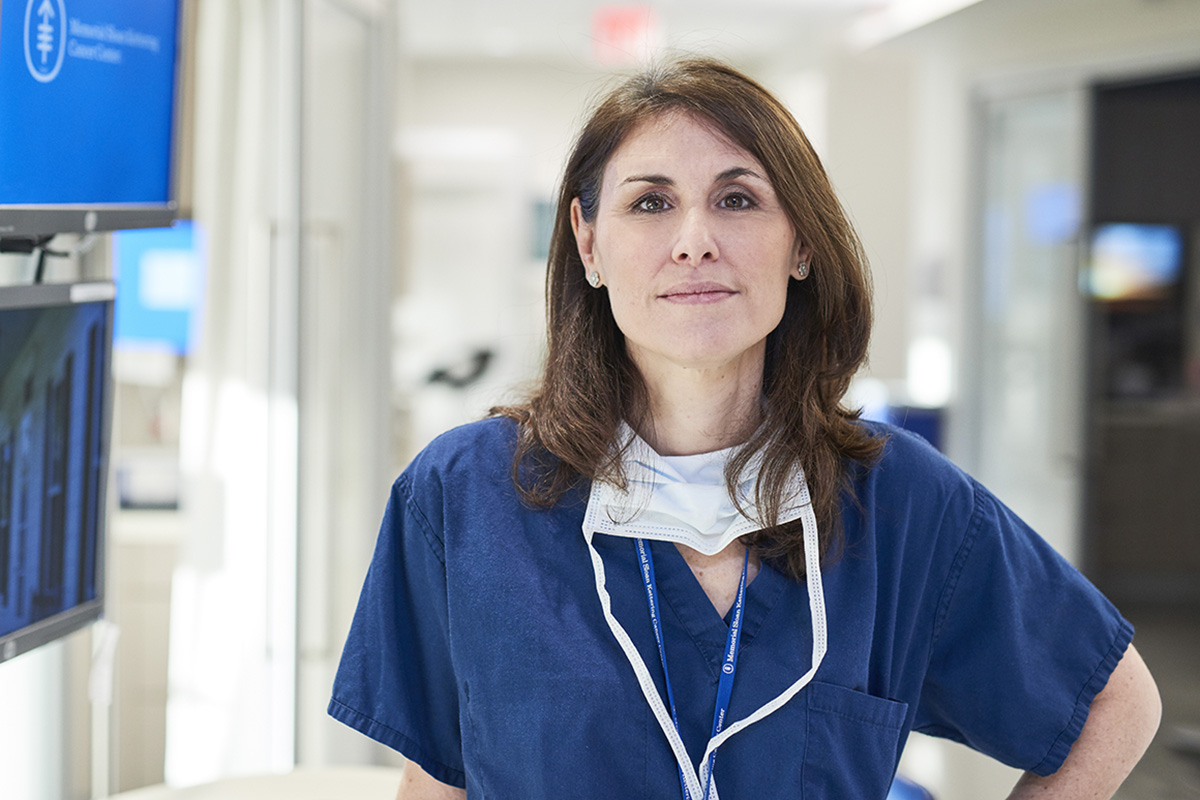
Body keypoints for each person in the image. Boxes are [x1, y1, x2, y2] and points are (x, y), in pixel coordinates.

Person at [329, 57, 1160, 799]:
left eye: (737, 198)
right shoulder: (464, 496)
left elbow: (1115, 703)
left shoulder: (900, 500)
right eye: (650, 203)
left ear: (798, 243)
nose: (695, 242)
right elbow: (436, 780)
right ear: (589, 245)